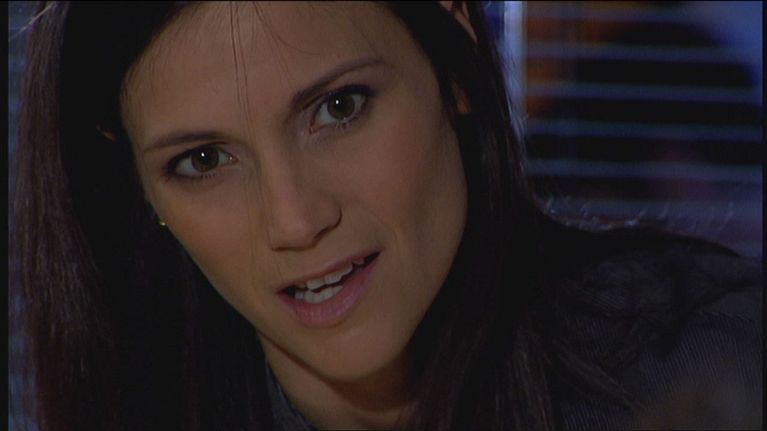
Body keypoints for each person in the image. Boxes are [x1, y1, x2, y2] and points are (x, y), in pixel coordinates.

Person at [11, 2, 761, 430]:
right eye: (203, 160)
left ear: (453, 52)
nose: (295, 220)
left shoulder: (713, 366)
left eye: (339, 108)